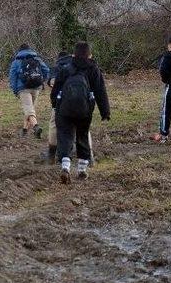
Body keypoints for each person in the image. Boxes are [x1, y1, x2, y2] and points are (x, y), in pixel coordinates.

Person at [51, 42, 110, 184]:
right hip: (84, 110)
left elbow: (55, 90)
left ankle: (65, 166)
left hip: (65, 109)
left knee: (65, 135)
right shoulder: (93, 69)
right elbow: (100, 91)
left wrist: (55, 106)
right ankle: (82, 169)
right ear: (90, 55)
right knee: (82, 135)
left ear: (74, 54)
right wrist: (105, 112)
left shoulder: (66, 68)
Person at [8, 44, 50, 138]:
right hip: (36, 87)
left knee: (28, 109)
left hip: (23, 88)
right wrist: (41, 81)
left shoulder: (17, 61)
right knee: (30, 109)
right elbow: (46, 70)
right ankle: (24, 130)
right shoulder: (37, 59)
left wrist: (15, 90)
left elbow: (12, 77)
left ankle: (36, 126)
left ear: (19, 51)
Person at [45, 51, 73, 161]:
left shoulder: (56, 68)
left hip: (61, 101)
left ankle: (52, 153)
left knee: (54, 124)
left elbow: (52, 83)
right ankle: (88, 155)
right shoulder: (78, 66)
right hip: (79, 102)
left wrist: (54, 104)